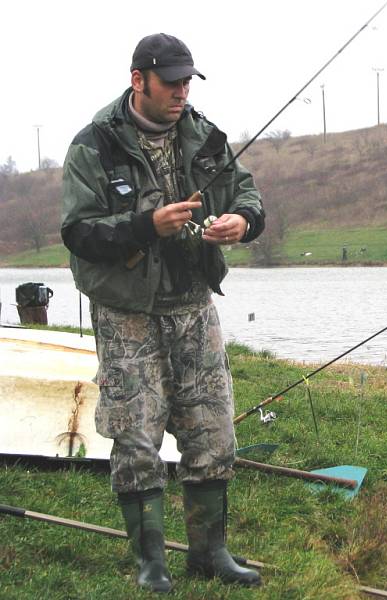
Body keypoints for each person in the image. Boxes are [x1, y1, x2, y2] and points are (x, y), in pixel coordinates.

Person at [60, 33, 265, 592]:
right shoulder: (94, 145)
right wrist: (146, 226)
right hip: (127, 311)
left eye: (187, 81)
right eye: (171, 81)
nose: (181, 92)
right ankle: (151, 561)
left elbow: (248, 195)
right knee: (135, 435)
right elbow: (78, 232)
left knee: (213, 429)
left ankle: (210, 554)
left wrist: (241, 223)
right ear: (138, 81)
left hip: (194, 305)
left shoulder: (204, 135)